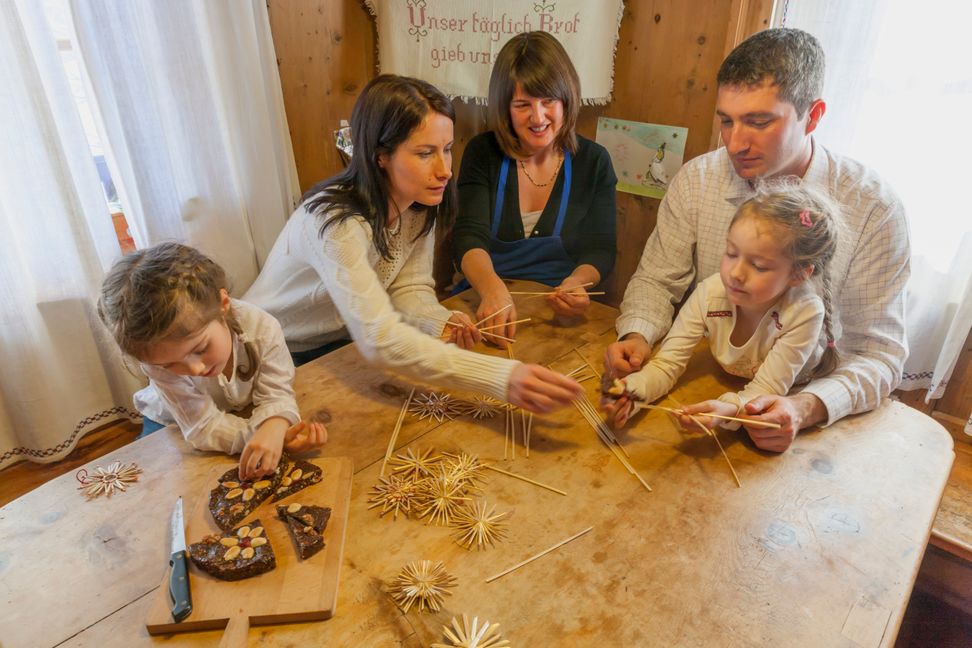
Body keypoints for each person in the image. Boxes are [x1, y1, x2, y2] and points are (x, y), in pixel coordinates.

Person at [605, 28, 909, 452]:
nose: (734, 143)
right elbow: (657, 280)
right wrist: (635, 338)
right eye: (726, 120)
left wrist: (805, 408)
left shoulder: (874, 207)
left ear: (814, 115)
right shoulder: (698, 179)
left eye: (760, 122)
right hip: (709, 386)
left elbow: (880, 357)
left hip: (808, 418)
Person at [244, 74, 582, 413]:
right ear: (381, 156)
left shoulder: (418, 202)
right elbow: (380, 340)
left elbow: (409, 287)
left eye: (447, 150)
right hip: (270, 353)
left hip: (341, 343)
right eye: (424, 153)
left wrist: (440, 320)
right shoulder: (336, 224)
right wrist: (502, 378)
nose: (445, 170)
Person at [602, 182, 839, 438]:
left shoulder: (804, 313)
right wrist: (632, 391)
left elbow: (765, 389)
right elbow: (666, 364)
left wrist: (728, 409)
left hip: (791, 399)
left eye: (758, 266)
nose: (735, 274)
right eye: (731, 253)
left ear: (799, 274)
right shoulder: (711, 292)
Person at [98, 242, 327, 480]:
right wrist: (261, 436)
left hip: (241, 410)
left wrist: (276, 425)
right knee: (158, 480)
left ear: (223, 305)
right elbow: (202, 427)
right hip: (174, 421)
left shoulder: (263, 328)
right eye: (169, 365)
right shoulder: (155, 362)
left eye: (200, 349)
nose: (195, 369)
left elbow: (276, 393)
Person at [452, 31, 618, 343]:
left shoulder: (593, 161)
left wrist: (578, 283)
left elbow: (601, 247)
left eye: (548, 101)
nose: (538, 116)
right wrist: (492, 288)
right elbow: (468, 234)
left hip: (558, 317)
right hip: (484, 304)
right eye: (522, 104)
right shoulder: (483, 152)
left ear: (566, 100)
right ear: (504, 107)